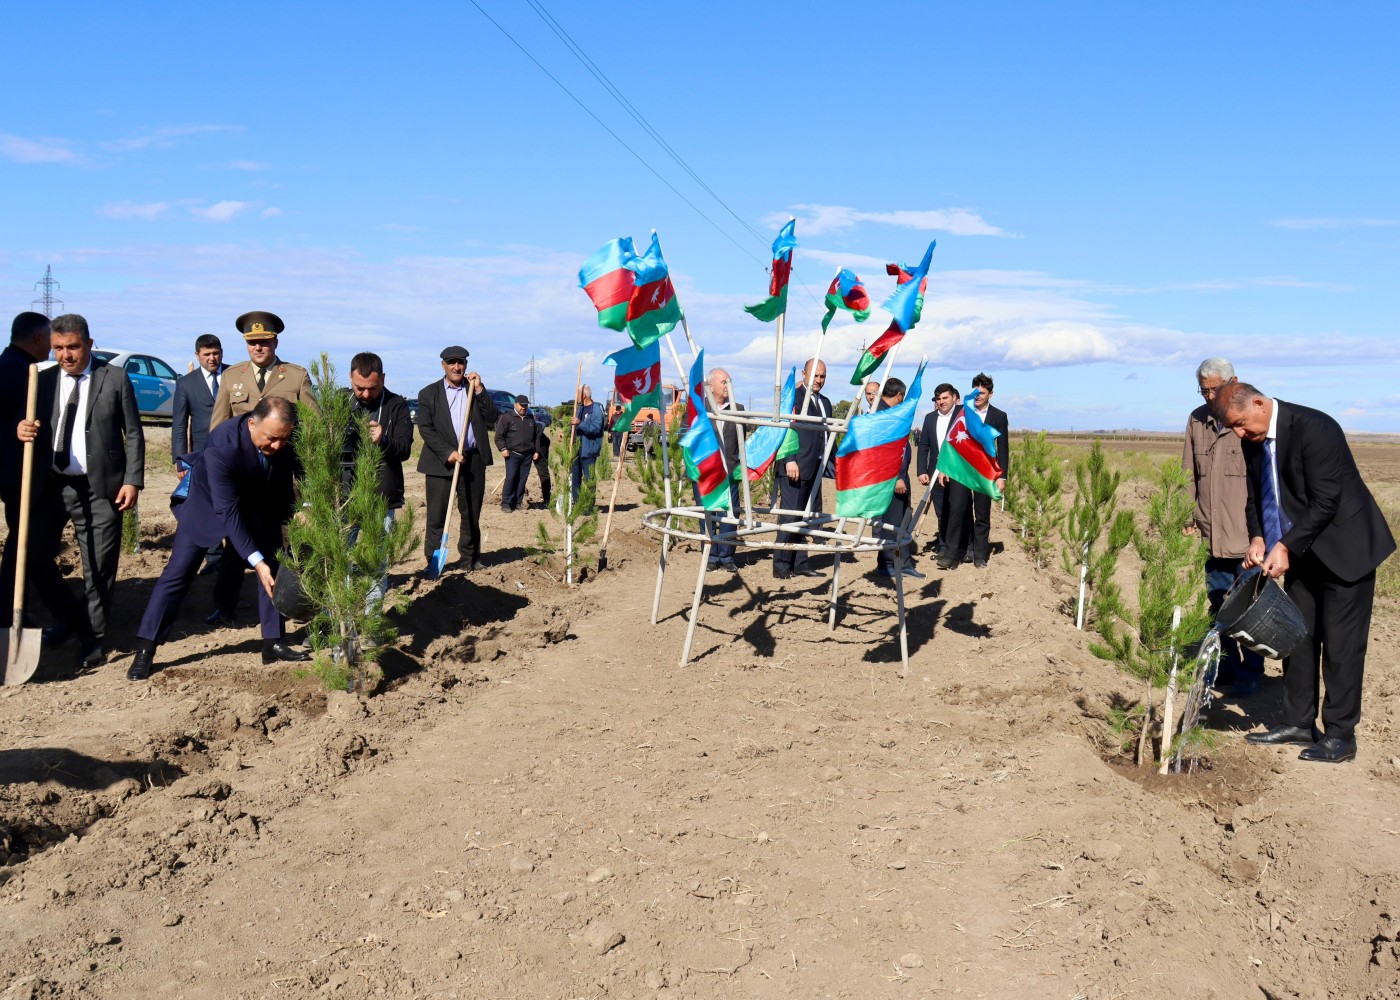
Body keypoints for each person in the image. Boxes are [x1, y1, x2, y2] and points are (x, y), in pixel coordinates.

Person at [1211, 382, 1396, 764]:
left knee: (1342, 648)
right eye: (1236, 429)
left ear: (1260, 404)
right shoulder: (1252, 439)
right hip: (1300, 551)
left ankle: (1341, 736)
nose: (1242, 435)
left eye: (1243, 425)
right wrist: (1259, 536)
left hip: (1347, 551)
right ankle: (1298, 722)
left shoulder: (1316, 428)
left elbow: (1326, 500)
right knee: (1297, 637)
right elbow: (1256, 495)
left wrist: (1286, 546)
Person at [127, 397, 309, 680]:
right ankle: (146, 648)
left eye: (283, 440)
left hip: (260, 503)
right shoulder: (222, 445)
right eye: (271, 439)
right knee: (179, 571)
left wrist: (306, 506)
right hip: (209, 506)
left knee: (272, 566)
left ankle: (272, 641)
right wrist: (254, 560)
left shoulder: (283, 434)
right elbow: (228, 511)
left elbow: (302, 467)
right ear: (252, 423)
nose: (277, 446)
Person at [16, 314, 145, 669]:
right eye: (58, 348)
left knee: (98, 566)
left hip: (101, 486)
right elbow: (27, 424)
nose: (65, 355)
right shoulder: (41, 381)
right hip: (52, 486)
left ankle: (94, 638)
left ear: (88, 344)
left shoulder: (114, 378)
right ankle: (70, 617)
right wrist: (22, 430)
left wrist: (132, 480)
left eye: (72, 347)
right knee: (33, 554)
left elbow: (133, 432)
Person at [205, 311, 316, 626]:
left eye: (264, 341)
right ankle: (224, 605)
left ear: (275, 341)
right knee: (234, 544)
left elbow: (314, 427)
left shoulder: (295, 376)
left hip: (281, 477)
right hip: (242, 477)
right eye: (252, 342)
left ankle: (288, 603)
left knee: (282, 544)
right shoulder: (232, 377)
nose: (258, 347)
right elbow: (219, 427)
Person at [1183, 358, 1264, 697]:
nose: (1209, 396)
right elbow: (1188, 472)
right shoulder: (1197, 420)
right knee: (1218, 605)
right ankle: (1228, 667)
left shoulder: (1247, 421)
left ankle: (1252, 674)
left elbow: (1263, 483)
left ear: (1235, 382)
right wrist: (1187, 515)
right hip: (1212, 535)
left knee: (1249, 609)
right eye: (1204, 390)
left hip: (1246, 538)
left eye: (1215, 389)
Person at [416, 346, 499, 572]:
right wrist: (447, 452)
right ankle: (433, 562)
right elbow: (425, 428)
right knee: (437, 515)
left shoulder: (473, 390)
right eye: (451, 362)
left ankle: (470, 559)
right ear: (443, 365)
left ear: (466, 365)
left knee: (471, 514)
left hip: (473, 461)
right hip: (440, 462)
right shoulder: (428, 394)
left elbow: (493, 418)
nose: (456, 367)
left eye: (460, 362)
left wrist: (480, 389)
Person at [345, 352, 414, 608]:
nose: (364, 394)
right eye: (359, 388)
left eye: (371, 388)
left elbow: (405, 449)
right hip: (344, 496)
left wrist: (383, 440)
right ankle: (338, 618)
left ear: (383, 379)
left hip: (381, 495)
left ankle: (371, 617)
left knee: (376, 559)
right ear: (350, 378)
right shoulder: (341, 401)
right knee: (339, 555)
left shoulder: (397, 405)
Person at [0, 312, 52, 618]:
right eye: (49, 338)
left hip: (19, 472)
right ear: (36, 338)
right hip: (17, 473)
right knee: (25, 543)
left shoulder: (17, 366)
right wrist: (13, 431)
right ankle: (8, 608)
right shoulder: (14, 371)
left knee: (28, 542)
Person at [171, 333, 229, 574]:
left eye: (215, 353)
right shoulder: (187, 383)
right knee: (207, 501)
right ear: (197, 355)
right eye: (206, 354)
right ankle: (214, 557)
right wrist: (179, 458)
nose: (212, 358)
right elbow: (179, 424)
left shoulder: (234, 375)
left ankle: (236, 554)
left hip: (230, 451)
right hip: (200, 455)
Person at [773, 358, 832, 579]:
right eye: (815, 375)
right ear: (804, 375)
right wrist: (789, 459)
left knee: (806, 517)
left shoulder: (825, 402)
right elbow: (784, 429)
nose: (818, 380)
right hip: (794, 467)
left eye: (822, 376)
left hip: (815, 467)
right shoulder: (793, 397)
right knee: (789, 517)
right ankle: (781, 566)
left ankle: (800, 562)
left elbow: (827, 435)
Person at [873, 378, 925, 582]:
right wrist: (896, 478)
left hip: (900, 477)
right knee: (890, 523)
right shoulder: (883, 415)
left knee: (902, 521)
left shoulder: (890, 413)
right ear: (900, 395)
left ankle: (903, 562)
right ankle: (886, 564)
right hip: (890, 480)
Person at [958, 373, 1009, 569]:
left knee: (982, 513)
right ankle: (968, 549)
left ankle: (980, 554)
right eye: (975, 392)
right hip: (963, 469)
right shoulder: (962, 412)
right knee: (962, 510)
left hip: (986, 472)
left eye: (982, 393)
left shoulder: (999, 416)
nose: (978, 396)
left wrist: (1001, 476)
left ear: (991, 394)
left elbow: (1003, 448)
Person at [702, 368, 744, 573]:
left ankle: (726, 555)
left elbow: (742, 440)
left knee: (730, 513)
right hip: (707, 472)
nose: (728, 386)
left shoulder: (738, 408)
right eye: (724, 382)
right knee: (709, 514)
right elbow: (686, 433)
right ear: (711, 386)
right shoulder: (700, 408)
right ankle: (710, 555)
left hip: (730, 471)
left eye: (729, 382)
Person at [916, 383, 961, 558]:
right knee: (941, 511)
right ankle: (944, 546)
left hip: (958, 472)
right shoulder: (929, 418)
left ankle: (962, 546)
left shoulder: (961, 415)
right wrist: (921, 470)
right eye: (939, 399)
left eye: (945, 398)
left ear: (953, 398)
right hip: (935, 472)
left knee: (958, 509)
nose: (942, 402)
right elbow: (924, 446)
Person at [496, 394, 541, 513]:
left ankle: (517, 502)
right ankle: (506, 503)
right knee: (511, 478)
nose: (524, 407)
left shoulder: (530, 419)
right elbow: (499, 437)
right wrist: (503, 448)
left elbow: (536, 437)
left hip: (527, 455)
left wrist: (536, 450)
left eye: (526, 405)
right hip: (512, 454)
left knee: (522, 479)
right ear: (515, 404)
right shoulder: (507, 418)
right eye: (522, 405)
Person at [569, 384, 604, 502]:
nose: (576, 397)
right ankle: (576, 503)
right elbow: (574, 427)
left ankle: (589, 505)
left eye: (577, 394)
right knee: (575, 479)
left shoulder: (596, 410)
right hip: (576, 450)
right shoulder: (578, 409)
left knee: (589, 479)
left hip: (589, 450)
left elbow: (595, 428)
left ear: (584, 395)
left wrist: (580, 423)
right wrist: (567, 434)